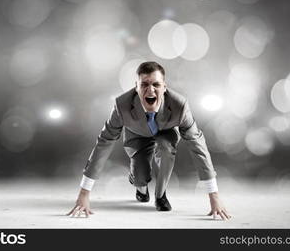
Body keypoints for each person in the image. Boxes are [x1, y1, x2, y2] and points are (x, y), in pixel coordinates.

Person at [67, 61, 230, 220]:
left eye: (156, 85)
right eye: (144, 84)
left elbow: (197, 146)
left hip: (165, 133)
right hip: (137, 136)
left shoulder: (180, 106)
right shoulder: (121, 105)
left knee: (165, 150)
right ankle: (140, 187)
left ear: (164, 87)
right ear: (136, 87)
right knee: (140, 175)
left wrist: (214, 196)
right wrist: (84, 194)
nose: (150, 90)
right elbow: (104, 143)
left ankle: (160, 196)